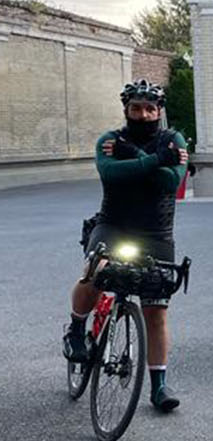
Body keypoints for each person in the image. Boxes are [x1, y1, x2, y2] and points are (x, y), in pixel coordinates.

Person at [65, 80, 188, 412]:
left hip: (156, 233)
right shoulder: (109, 139)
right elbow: (110, 174)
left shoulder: (172, 139)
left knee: (156, 310)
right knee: (96, 271)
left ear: (159, 111)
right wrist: (154, 160)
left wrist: (132, 157)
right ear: (126, 110)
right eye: (136, 108)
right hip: (113, 225)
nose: (143, 114)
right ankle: (77, 329)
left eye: (150, 109)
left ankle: (159, 386)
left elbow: (170, 181)